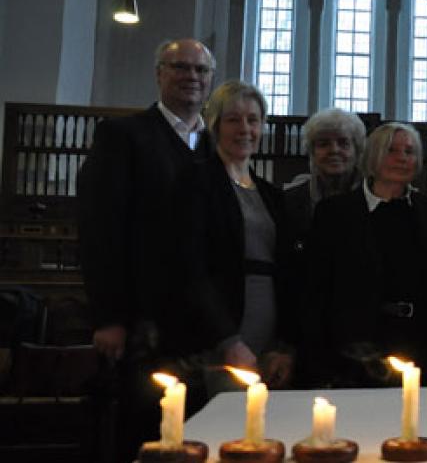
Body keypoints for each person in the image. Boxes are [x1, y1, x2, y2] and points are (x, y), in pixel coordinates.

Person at [78, 38, 214, 462]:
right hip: (142, 320)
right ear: (159, 74)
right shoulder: (125, 135)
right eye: (180, 67)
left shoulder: (214, 146)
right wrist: (109, 317)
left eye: (201, 70)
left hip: (199, 322)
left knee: (197, 432)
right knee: (143, 432)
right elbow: (101, 229)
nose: (191, 76)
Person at [173, 80, 294, 403]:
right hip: (222, 331)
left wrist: (283, 345)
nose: (245, 128)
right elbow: (190, 268)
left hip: (269, 332)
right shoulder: (197, 182)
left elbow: (287, 270)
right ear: (215, 125)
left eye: (253, 120)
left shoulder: (270, 193)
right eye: (233, 120)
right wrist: (228, 340)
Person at [302, 123, 427, 387]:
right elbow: (316, 289)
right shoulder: (335, 213)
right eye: (392, 150)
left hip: (418, 344)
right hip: (355, 348)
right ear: (372, 156)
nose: (403, 158)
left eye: (410, 151)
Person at [283, 107, 366, 239]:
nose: (334, 150)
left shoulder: (374, 199)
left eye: (343, 143)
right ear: (311, 152)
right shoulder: (287, 202)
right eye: (323, 144)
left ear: (357, 150)